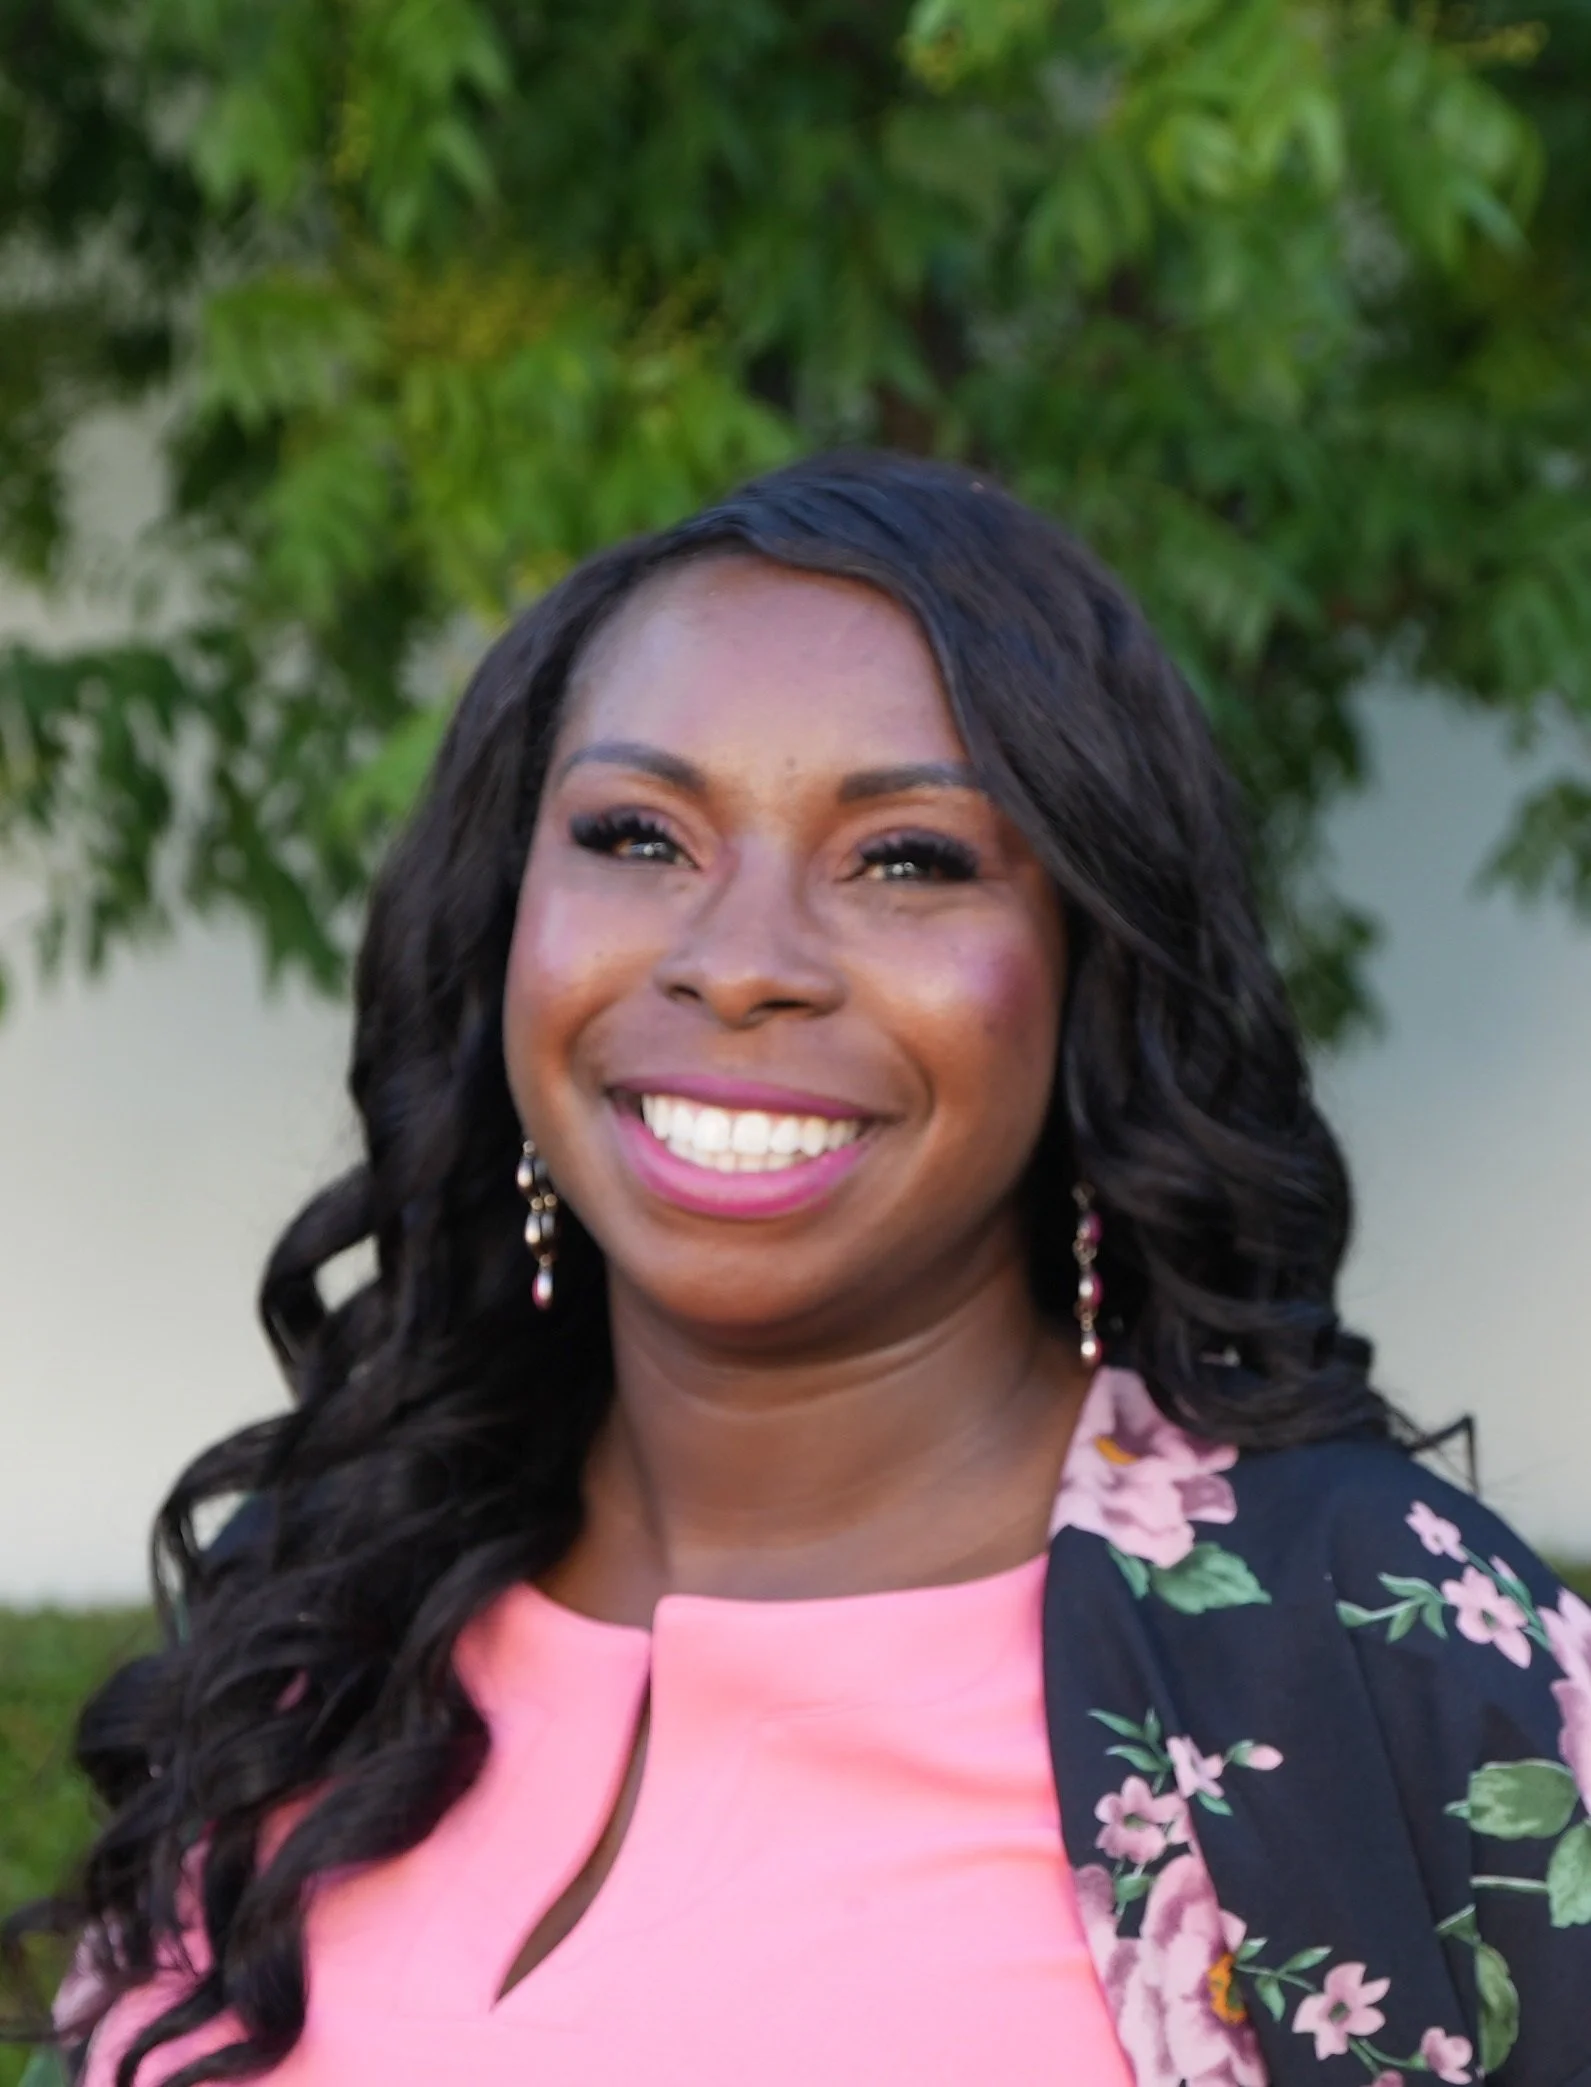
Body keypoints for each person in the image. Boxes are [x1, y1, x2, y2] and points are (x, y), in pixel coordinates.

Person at [20, 453, 1590, 2087]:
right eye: (638, 834)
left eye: (906, 858)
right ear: (502, 922)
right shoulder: (324, 1606)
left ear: (1089, 971)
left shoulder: (1368, 1647)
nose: (742, 959)